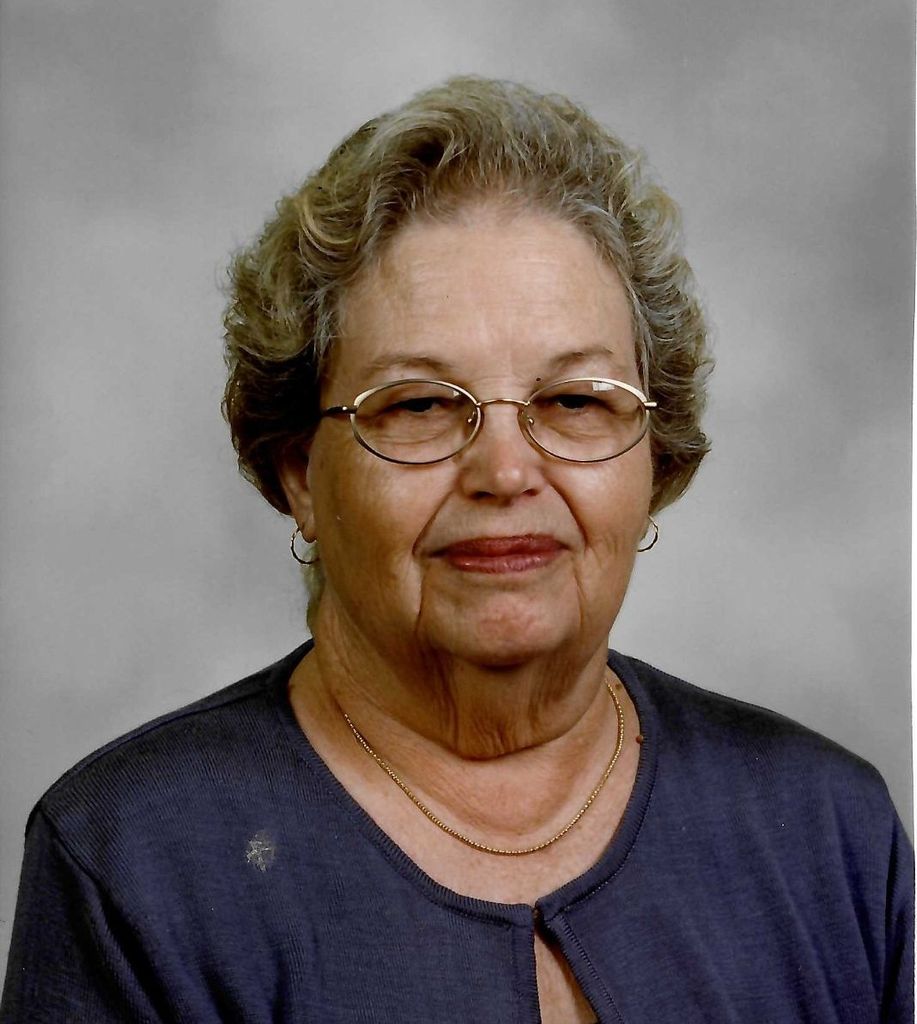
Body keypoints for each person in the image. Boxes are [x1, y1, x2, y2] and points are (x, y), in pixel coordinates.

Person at [1, 76, 912, 1024]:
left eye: (575, 400)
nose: (506, 472)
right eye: (421, 405)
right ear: (301, 473)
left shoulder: (829, 832)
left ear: (653, 456)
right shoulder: (135, 858)